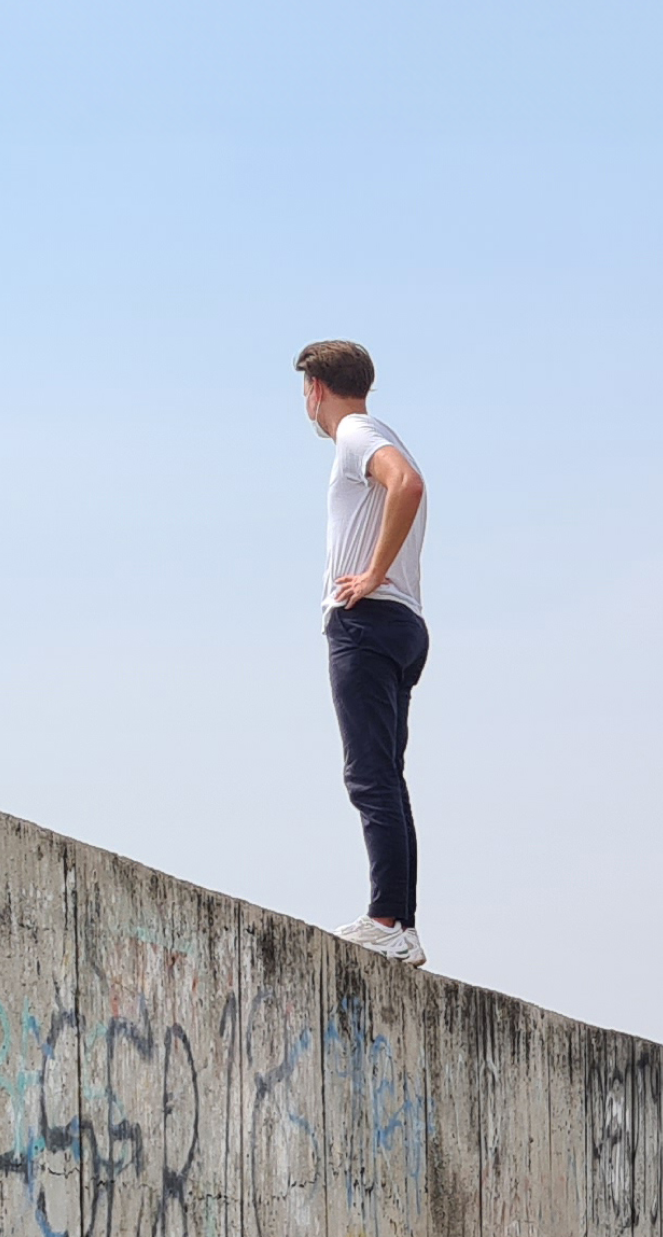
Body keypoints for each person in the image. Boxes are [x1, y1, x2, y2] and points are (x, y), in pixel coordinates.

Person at [299, 339, 430, 967]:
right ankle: (399, 922)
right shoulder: (375, 430)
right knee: (387, 777)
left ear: (315, 388)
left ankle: (386, 918)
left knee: (369, 775)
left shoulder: (354, 434)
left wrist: (372, 573)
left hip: (367, 623)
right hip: (402, 624)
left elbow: (407, 485)